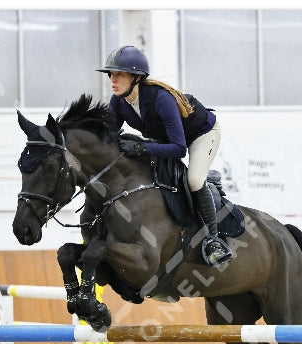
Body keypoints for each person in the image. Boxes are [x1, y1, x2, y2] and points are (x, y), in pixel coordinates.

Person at [97, 45, 232, 269]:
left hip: (201, 134)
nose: (113, 79)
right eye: (111, 74)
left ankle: (214, 240)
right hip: (168, 138)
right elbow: (108, 139)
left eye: (119, 74)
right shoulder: (118, 102)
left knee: (194, 179)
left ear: (136, 78)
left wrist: (141, 147)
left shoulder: (161, 98)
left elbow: (178, 149)